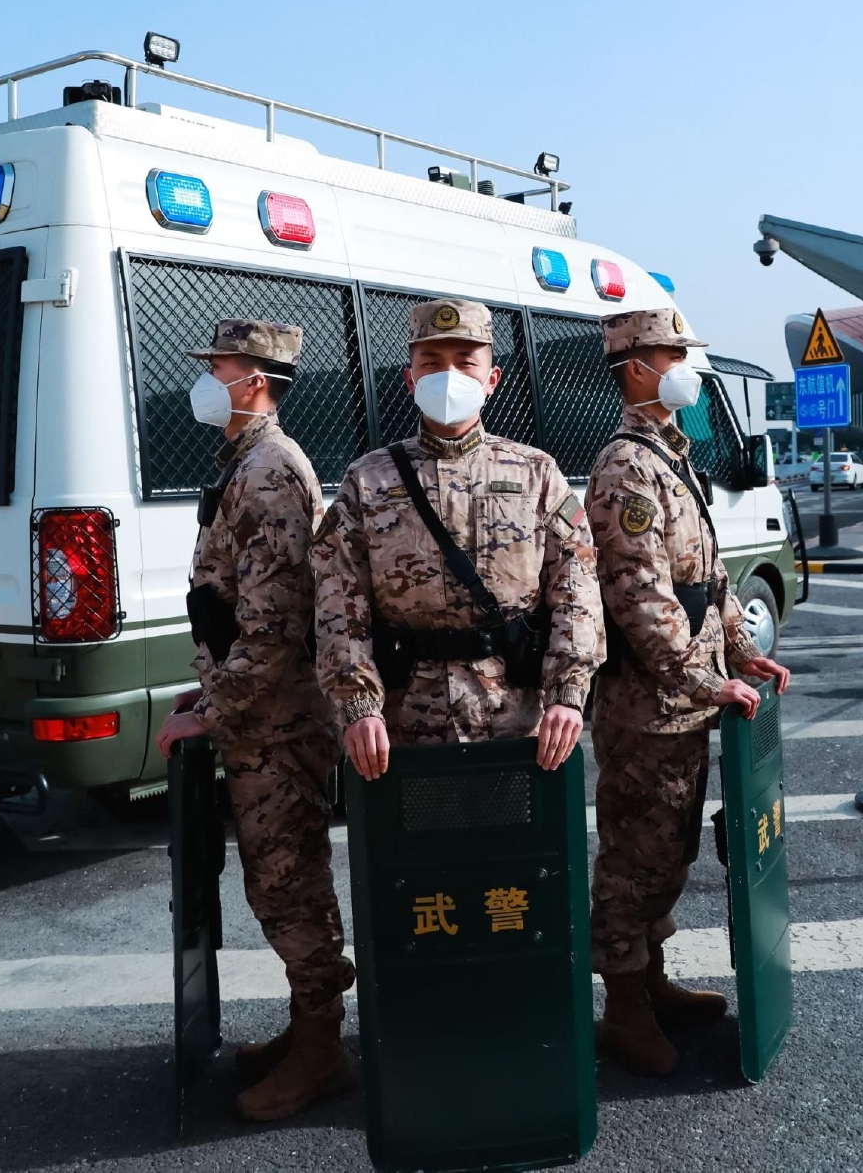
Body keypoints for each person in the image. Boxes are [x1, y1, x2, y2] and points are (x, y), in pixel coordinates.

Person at [152, 318, 354, 1123]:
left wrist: (221, 710)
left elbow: (273, 623)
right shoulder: (246, 461)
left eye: (221, 368)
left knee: (288, 884)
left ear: (256, 380)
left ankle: (319, 1051)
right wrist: (211, 695)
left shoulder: (270, 470)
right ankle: (311, 1030)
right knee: (276, 881)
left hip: (276, 721)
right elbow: (238, 612)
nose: (208, 381)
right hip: (257, 711)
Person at [586, 307, 792, 1076]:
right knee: (634, 858)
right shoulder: (626, 468)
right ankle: (624, 1008)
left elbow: (706, 583)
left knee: (667, 852)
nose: (688, 369)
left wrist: (744, 651)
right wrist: (711, 682)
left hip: (685, 701)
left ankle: (653, 979)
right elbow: (642, 600)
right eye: (674, 355)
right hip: (649, 709)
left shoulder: (671, 456)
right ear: (636, 367)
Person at [313, 299, 603, 775]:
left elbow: (576, 587)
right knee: (416, 851)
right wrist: (358, 706)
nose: (449, 375)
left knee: (513, 850)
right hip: (402, 727)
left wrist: (568, 694)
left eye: (466, 363)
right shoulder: (367, 480)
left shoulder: (535, 473)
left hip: (515, 723)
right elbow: (339, 601)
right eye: (432, 363)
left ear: (492, 381)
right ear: (410, 381)